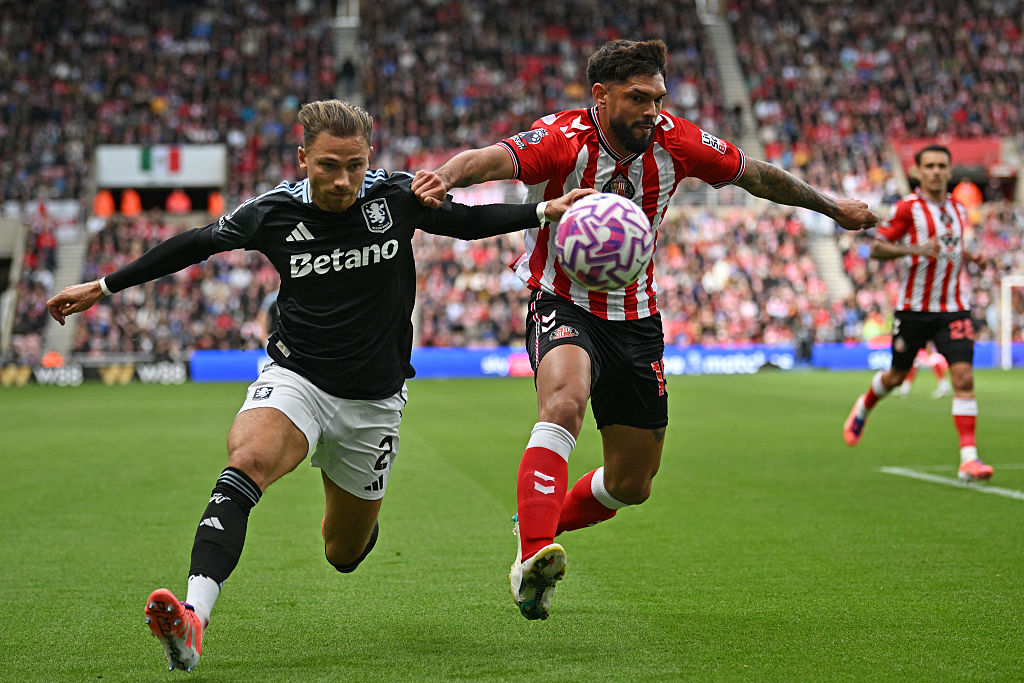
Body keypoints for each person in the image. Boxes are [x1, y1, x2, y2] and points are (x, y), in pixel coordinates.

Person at [46, 99, 593, 672]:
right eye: (329, 165)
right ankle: (192, 619)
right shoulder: (273, 212)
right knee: (248, 459)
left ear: (369, 158)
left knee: (344, 552)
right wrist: (104, 287)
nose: (342, 180)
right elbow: (196, 244)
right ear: (303, 157)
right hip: (297, 377)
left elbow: (464, 221)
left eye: (354, 165)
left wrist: (542, 212)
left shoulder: (396, 197)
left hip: (374, 402)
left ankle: (354, 516)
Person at [411, 39, 878, 621]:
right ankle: (534, 556)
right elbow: (488, 159)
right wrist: (442, 178)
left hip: (636, 319)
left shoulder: (676, 141)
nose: (652, 109)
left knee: (633, 483)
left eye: (658, 97)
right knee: (563, 403)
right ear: (601, 97)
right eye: (638, 98)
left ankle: (539, 516)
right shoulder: (562, 138)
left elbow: (755, 175)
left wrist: (834, 208)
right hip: (563, 301)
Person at [843, 144, 991, 481]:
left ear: (950, 171)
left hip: (954, 308)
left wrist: (971, 256)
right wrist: (915, 249)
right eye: (930, 166)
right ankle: (864, 406)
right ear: (918, 172)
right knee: (896, 377)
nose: (937, 171)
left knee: (964, 377)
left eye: (942, 165)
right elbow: (877, 248)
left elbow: (952, 248)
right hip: (913, 310)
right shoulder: (907, 208)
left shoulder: (958, 209)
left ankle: (969, 459)